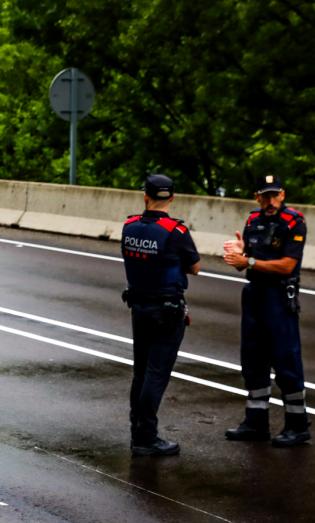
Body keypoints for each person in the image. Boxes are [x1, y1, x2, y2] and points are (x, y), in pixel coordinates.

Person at [222, 174, 310, 448]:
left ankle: (297, 425)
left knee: (285, 359)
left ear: (282, 195)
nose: (271, 201)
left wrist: (248, 261)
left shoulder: (294, 222)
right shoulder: (252, 220)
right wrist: (240, 252)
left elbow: (286, 265)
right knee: (252, 357)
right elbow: (247, 260)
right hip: (254, 294)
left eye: (275, 195)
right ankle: (256, 421)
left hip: (278, 295)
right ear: (257, 197)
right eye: (265, 196)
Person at [120, 174, 201, 457]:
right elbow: (195, 267)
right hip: (167, 311)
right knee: (156, 374)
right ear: (172, 198)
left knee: (141, 372)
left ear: (145, 196)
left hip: (139, 307)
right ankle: (146, 437)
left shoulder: (129, 226)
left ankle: (137, 431)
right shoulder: (176, 231)